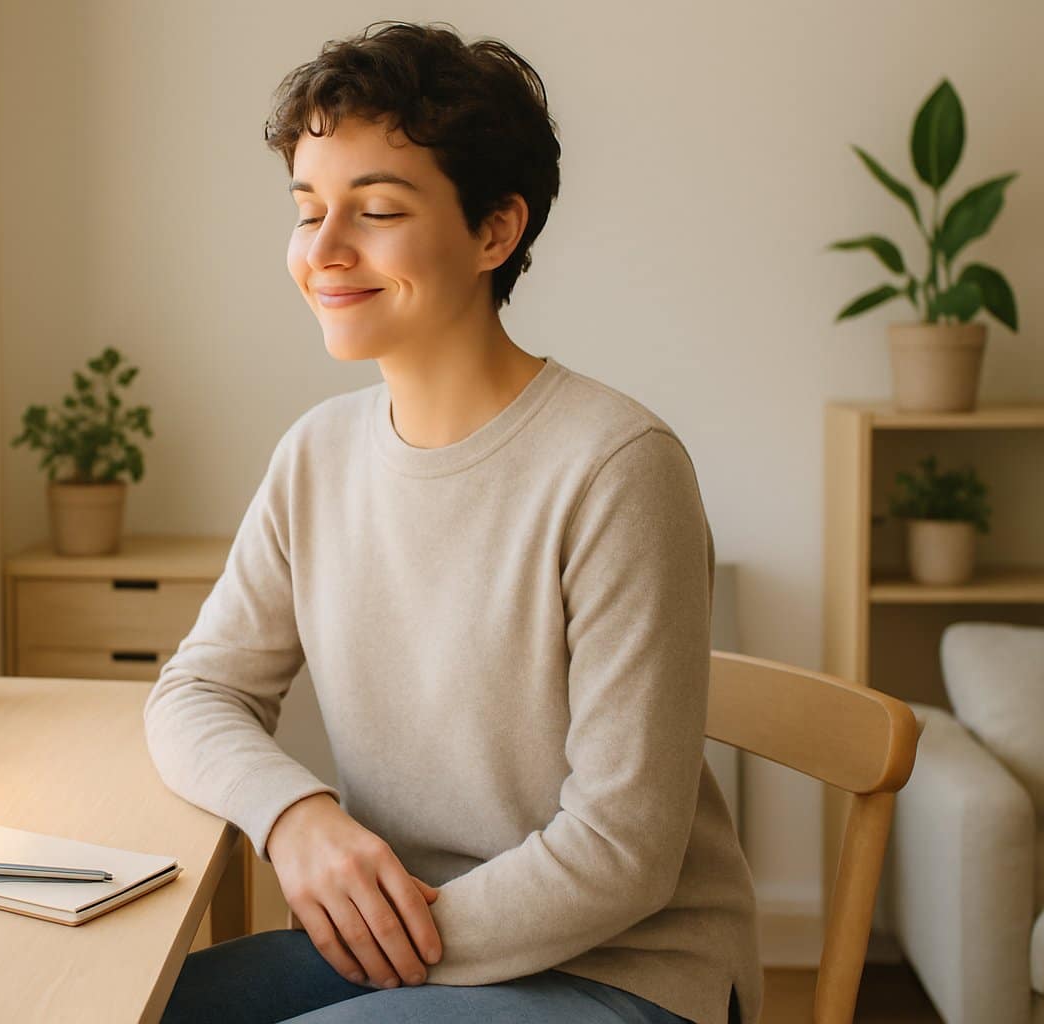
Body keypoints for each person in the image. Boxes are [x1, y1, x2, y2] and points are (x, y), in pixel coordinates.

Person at [143, 20, 759, 1024]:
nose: (325, 252)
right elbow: (195, 693)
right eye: (309, 211)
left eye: (378, 210)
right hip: (405, 944)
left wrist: (388, 937)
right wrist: (295, 817)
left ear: (494, 232)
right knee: (121, 1002)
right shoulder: (316, 455)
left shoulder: (617, 466)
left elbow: (623, 853)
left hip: (623, 970)